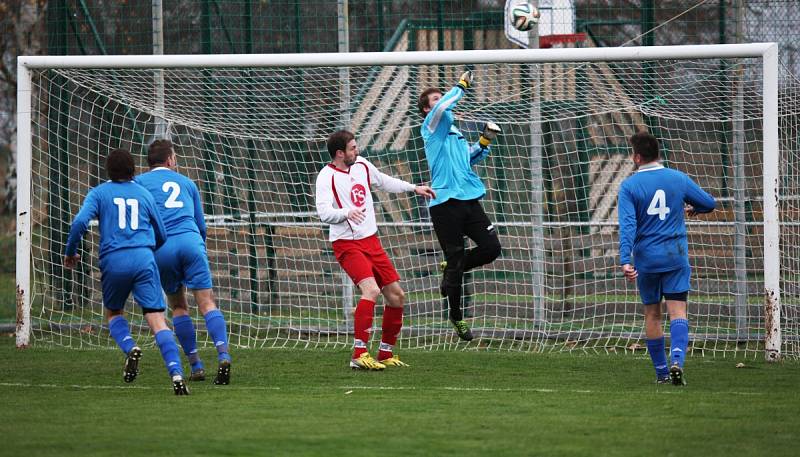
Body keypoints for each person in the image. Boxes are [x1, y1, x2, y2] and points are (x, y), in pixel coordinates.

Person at [64, 149, 189, 395]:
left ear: (108, 170)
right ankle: (176, 374)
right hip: (143, 258)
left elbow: (79, 222)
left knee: (113, 313)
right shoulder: (143, 193)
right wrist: (147, 249)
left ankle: (130, 346)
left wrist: (71, 251)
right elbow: (161, 233)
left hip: (114, 259)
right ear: (133, 169)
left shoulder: (99, 193)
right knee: (157, 319)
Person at [315, 130, 436, 370]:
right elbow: (323, 212)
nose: (356, 151)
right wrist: (345, 213)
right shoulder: (326, 176)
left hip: (371, 241)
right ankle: (359, 354)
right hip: (347, 244)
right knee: (370, 290)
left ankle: (385, 353)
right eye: (352, 148)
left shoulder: (361, 164)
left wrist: (414, 188)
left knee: (396, 296)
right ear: (340, 153)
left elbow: (383, 181)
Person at [618, 131, 716, 386]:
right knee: (678, 311)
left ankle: (662, 373)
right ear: (657, 154)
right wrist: (695, 209)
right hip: (675, 256)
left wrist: (625, 260)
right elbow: (709, 203)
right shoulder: (677, 178)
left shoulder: (629, 186)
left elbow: (628, 225)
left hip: (646, 259)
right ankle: (677, 361)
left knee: (652, 314)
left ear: (637, 157)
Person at [135, 139, 231, 385]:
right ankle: (223, 355)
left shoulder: (139, 184)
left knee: (178, 306)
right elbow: (201, 225)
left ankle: (196, 365)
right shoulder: (187, 183)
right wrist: (198, 246)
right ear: (170, 160)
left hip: (162, 247)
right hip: (190, 241)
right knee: (207, 303)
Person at [417, 70, 502, 341]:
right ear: (427, 110)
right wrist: (461, 86)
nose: (441, 100)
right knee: (454, 258)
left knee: (491, 248)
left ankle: (453, 267)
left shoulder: (455, 135)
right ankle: (457, 317)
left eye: (441, 97)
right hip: (444, 204)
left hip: (468, 200)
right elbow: (444, 107)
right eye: (435, 99)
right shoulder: (431, 128)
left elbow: (469, 159)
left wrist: (485, 139)